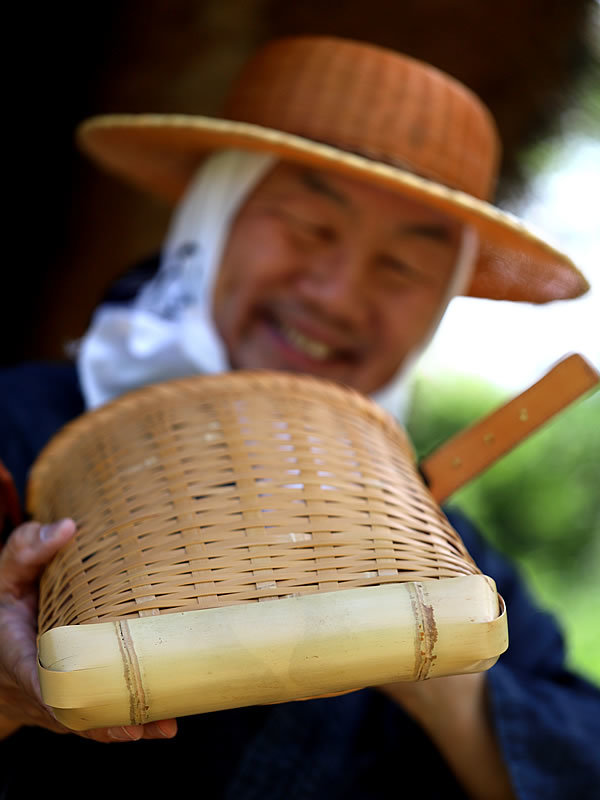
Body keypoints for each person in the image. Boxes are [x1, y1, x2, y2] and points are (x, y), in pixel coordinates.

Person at [0, 36, 598, 800]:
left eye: (403, 267)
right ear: (213, 220)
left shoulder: (447, 547)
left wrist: (434, 658)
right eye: (309, 227)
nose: (339, 295)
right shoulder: (17, 431)